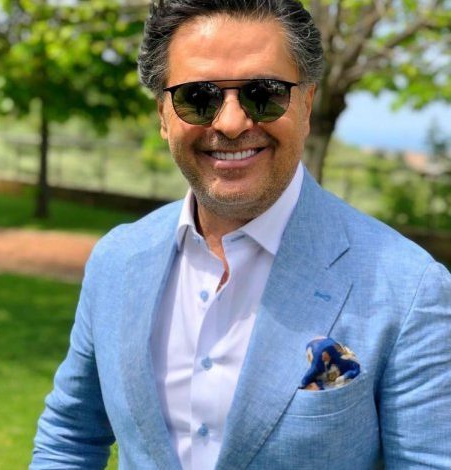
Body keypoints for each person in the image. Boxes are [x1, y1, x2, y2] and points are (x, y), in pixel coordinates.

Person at [30, 1, 451, 469]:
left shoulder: (409, 288)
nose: (230, 123)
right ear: (163, 115)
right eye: (197, 97)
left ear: (306, 105)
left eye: (263, 93)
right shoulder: (117, 260)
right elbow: (69, 438)